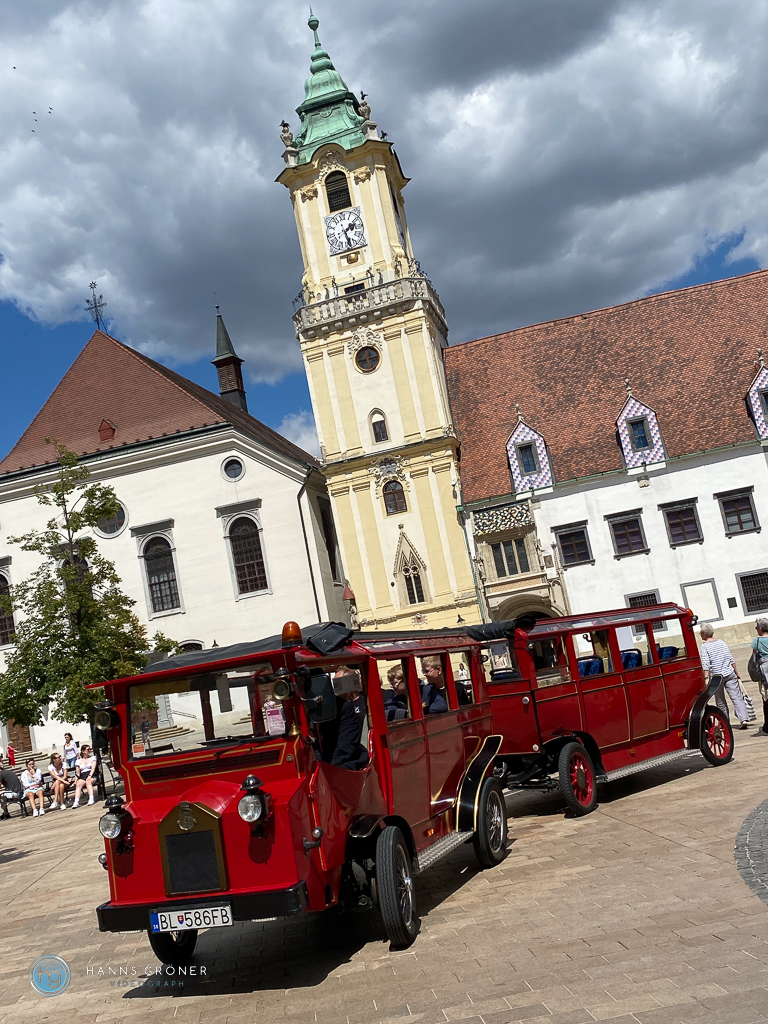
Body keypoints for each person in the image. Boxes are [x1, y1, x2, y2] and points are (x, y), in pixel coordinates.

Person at [700, 623, 749, 729]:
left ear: (704, 634)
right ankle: (743, 719)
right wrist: (736, 672)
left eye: (701, 632)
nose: (700, 634)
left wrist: (706, 677)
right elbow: (730, 658)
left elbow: (706, 663)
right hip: (729, 673)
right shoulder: (721, 642)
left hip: (717, 677)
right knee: (737, 697)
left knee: (720, 700)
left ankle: (725, 722)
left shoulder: (704, 646)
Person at [327, 668, 369, 770]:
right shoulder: (335, 708)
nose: (336, 688)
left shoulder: (366, 703)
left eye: (339, 683)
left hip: (360, 749)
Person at [751, 617, 768, 735]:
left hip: (764, 672)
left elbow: (754, 657)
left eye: (757, 627)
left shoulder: (756, 641)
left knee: (766, 698)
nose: (756, 629)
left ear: (761, 629)